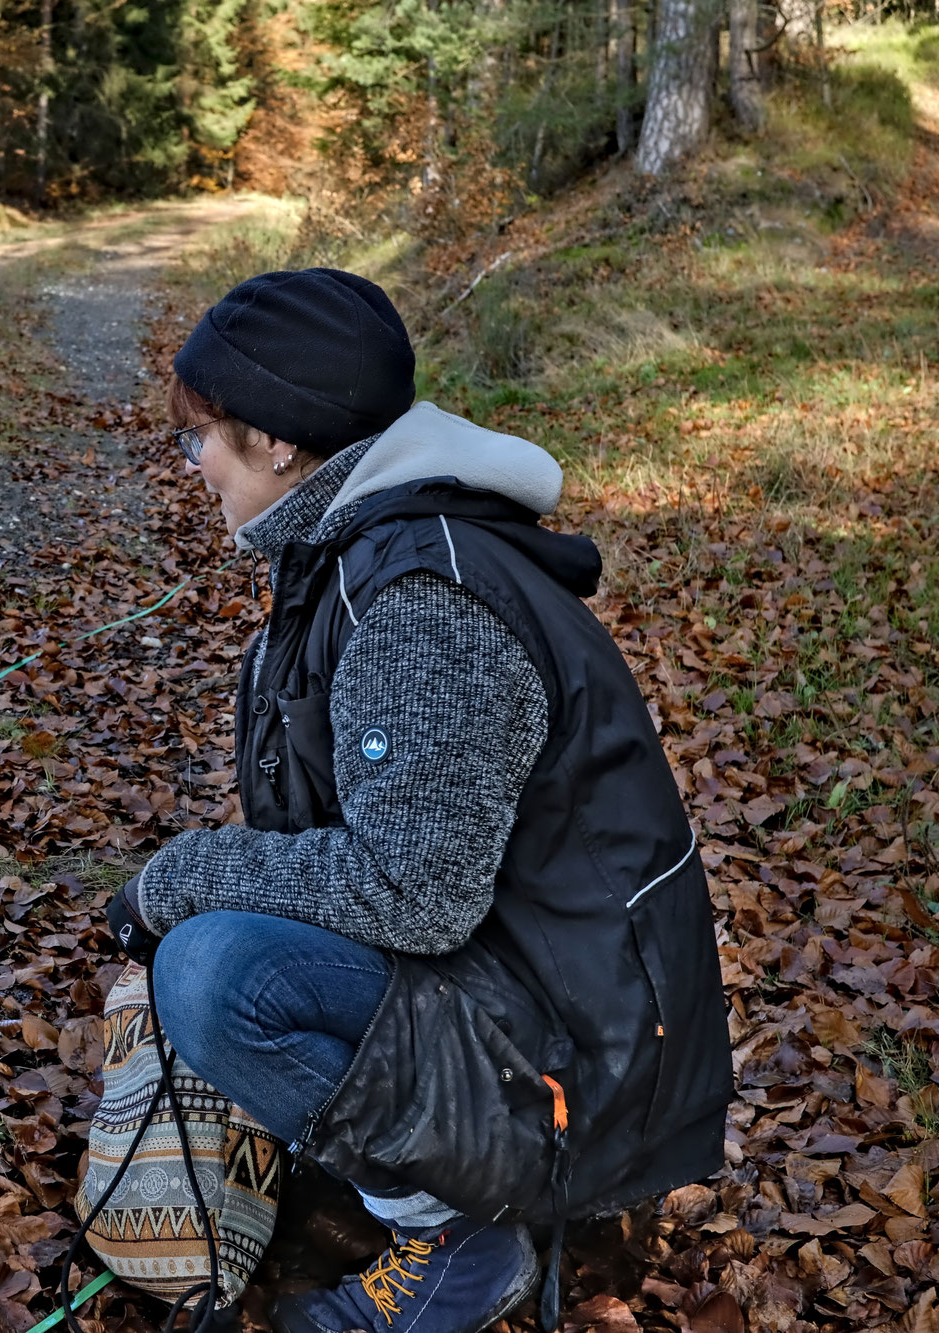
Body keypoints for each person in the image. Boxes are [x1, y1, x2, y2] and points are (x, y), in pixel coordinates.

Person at [103, 269, 730, 1333]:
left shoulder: (418, 603)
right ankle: (401, 1179)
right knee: (211, 943)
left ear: (281, 441)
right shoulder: (367, 550)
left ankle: (458, 1238)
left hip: (580, 1068)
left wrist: (177, 880)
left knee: (211, 972)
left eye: (202, 435)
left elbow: (416, 891)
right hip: (524, 994)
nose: (193, 462)